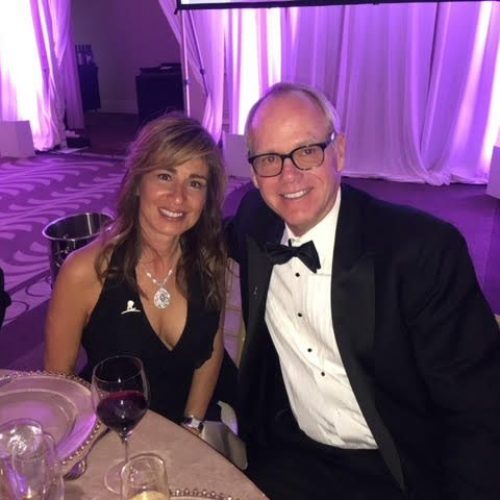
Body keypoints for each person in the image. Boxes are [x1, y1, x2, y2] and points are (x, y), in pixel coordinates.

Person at [225, 82, 500, 499]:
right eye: (269, 159)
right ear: (253, 172)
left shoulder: (421, 252)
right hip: (292, 453)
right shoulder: (253, 221)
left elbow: (478, 409)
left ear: (339, 151)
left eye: (307, 150)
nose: (288, 174)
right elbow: (195, 237)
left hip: (397, 467)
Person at [45, 113, 236, 431]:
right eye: (165, 176)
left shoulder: (209, 258)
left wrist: (192, 425)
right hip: (114, 429)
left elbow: (211, 351)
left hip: (189, 427)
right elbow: (58, 384)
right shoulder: (85, 272)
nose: (178, 197)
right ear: (137, 182)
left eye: (195, 183)